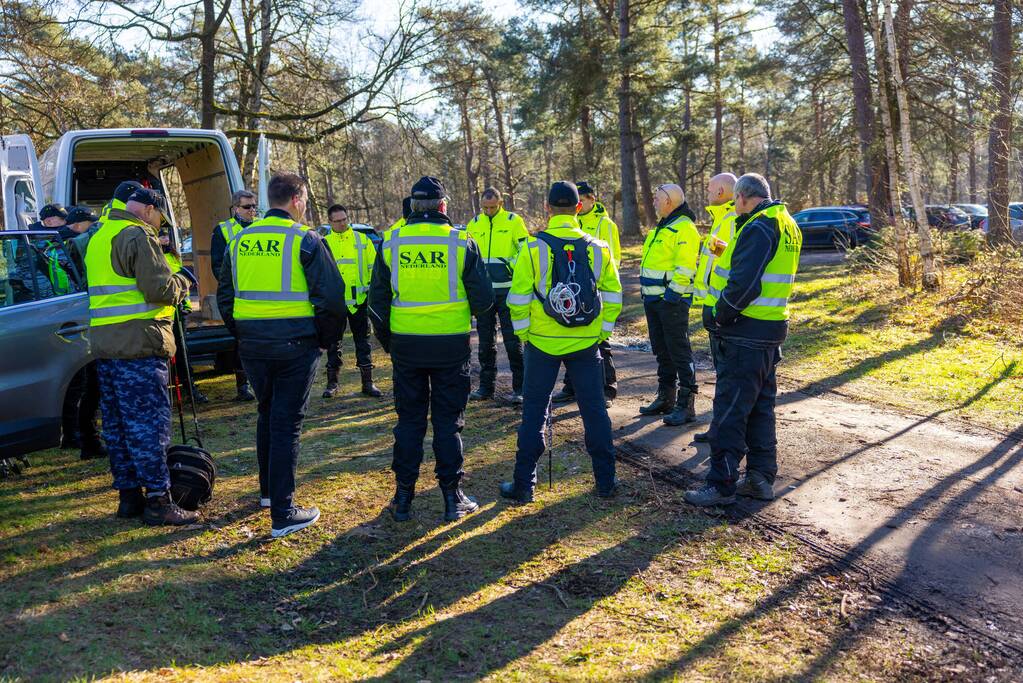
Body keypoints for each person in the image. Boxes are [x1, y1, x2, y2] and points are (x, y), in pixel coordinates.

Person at [217, 173, 346, 538]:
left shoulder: (240, 239)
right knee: (286, 422)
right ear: (297, 200)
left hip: (253, 344)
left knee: (267, 412)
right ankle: (284, 512)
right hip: (294, 344)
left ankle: (268, 494)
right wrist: (325, 340)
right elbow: (332, 299)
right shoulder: (306, 239)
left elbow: (225, 295)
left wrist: (242, 331)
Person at [369, 176, 494, 523]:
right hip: (450, 346)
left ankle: (403, 498)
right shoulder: (460, 241)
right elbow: (484, 302)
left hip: (407, 347)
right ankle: (453, 499)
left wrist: (390, 342)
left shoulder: (391, 241)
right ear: (443, 206)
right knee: (448, 423)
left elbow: (376, 305)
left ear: (411, 206)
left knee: (409, 422)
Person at [499, 181, 622, 502]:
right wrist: (600, 333)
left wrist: (526, 335)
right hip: (585, 343)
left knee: (534, 413)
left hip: (541, 343)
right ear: (579, 208)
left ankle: (524, 485)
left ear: (547, 208)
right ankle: (606, 483)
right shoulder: (599, 248)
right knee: (595, 412)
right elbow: (613, 296)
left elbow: (517, 298)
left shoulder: (531, 248)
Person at [685, 173, 802, 507]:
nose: (735, 208)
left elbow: (744, 285)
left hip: (746, 332)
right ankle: (760, 478)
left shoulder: (759, 226)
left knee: (730, 410)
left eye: (736, 202)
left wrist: (718, 315)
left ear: (742, 197)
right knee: (760, 407)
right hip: (770, 329)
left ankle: (721, 484)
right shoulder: (787, 222)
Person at [85, 188, 198, 525]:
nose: (158, 223)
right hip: (140, 345)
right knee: (148, 428)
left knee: (118, 427)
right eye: (159, 217)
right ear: (149, 210)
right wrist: (183, 281)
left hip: (106, 346)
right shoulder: (136, 234)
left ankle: (129, 497)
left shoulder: (99, 235)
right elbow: (159, 289)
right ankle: (160, 501)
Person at [637, 184, 701, 426]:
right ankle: (666, 397)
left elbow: (685, 268)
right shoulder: (663, 227)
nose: (653, 201)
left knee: (679, 351)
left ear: (669, 201)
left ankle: (686, 405)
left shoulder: (684, 228)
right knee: (662, 350)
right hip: (653, 300)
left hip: (671, 301)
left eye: (656, 198)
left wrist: (671, 298)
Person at [551, 180, 620, 407]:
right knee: (574, 340)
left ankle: (607, 389)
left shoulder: (605, 224)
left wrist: (598, 285)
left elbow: (613, 258)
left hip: (595, 291)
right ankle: (571, 387)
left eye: (583, 199)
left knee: (601, 342)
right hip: (573, 292)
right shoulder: (574, 222)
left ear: (591, 199)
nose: (579, 203)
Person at [465, 187, 529, 404]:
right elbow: (468, 256)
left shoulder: (514, 221)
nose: (489, 211)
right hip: (484, 293)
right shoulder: (473, 224)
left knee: (513, 341)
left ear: (501, 203)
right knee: (485, 342)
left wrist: (508, 265)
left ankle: (520, 388)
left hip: (508, 291)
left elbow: (525, 250)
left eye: (493, 207)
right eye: (485, 208)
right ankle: (485, 387)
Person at [693, 173, 738, 442]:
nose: (706, 191)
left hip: (723, 310)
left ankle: (723, 430)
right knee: (722, 372)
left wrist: (720, 307)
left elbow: (731, 269)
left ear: (721, 191)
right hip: (714, 307)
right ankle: (720, 427)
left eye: (709, 188)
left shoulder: (731, 221)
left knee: (726, 374)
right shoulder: (721, 219)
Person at [322, 203, 381, 398]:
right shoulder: (323, 243)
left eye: (344, 219)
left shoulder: (362, 240)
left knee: (363, 342)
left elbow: (374, 269)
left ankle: (368, 383)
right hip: (335, 303)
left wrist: (373, 296)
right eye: (337, 221)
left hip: (360, 301)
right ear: (329, 222)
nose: (342, 224)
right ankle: (332, 384)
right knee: (333, 344)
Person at [211, 190, 259, 402]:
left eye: (254, 206)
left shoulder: (261, 227)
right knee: (242, 341)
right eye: (247, 207)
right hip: (238, 295)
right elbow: (218, 266)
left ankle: (261, 381)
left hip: (262, 293)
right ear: (236, 208)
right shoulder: (223, 230)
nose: (252, 211)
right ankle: (242, 387)